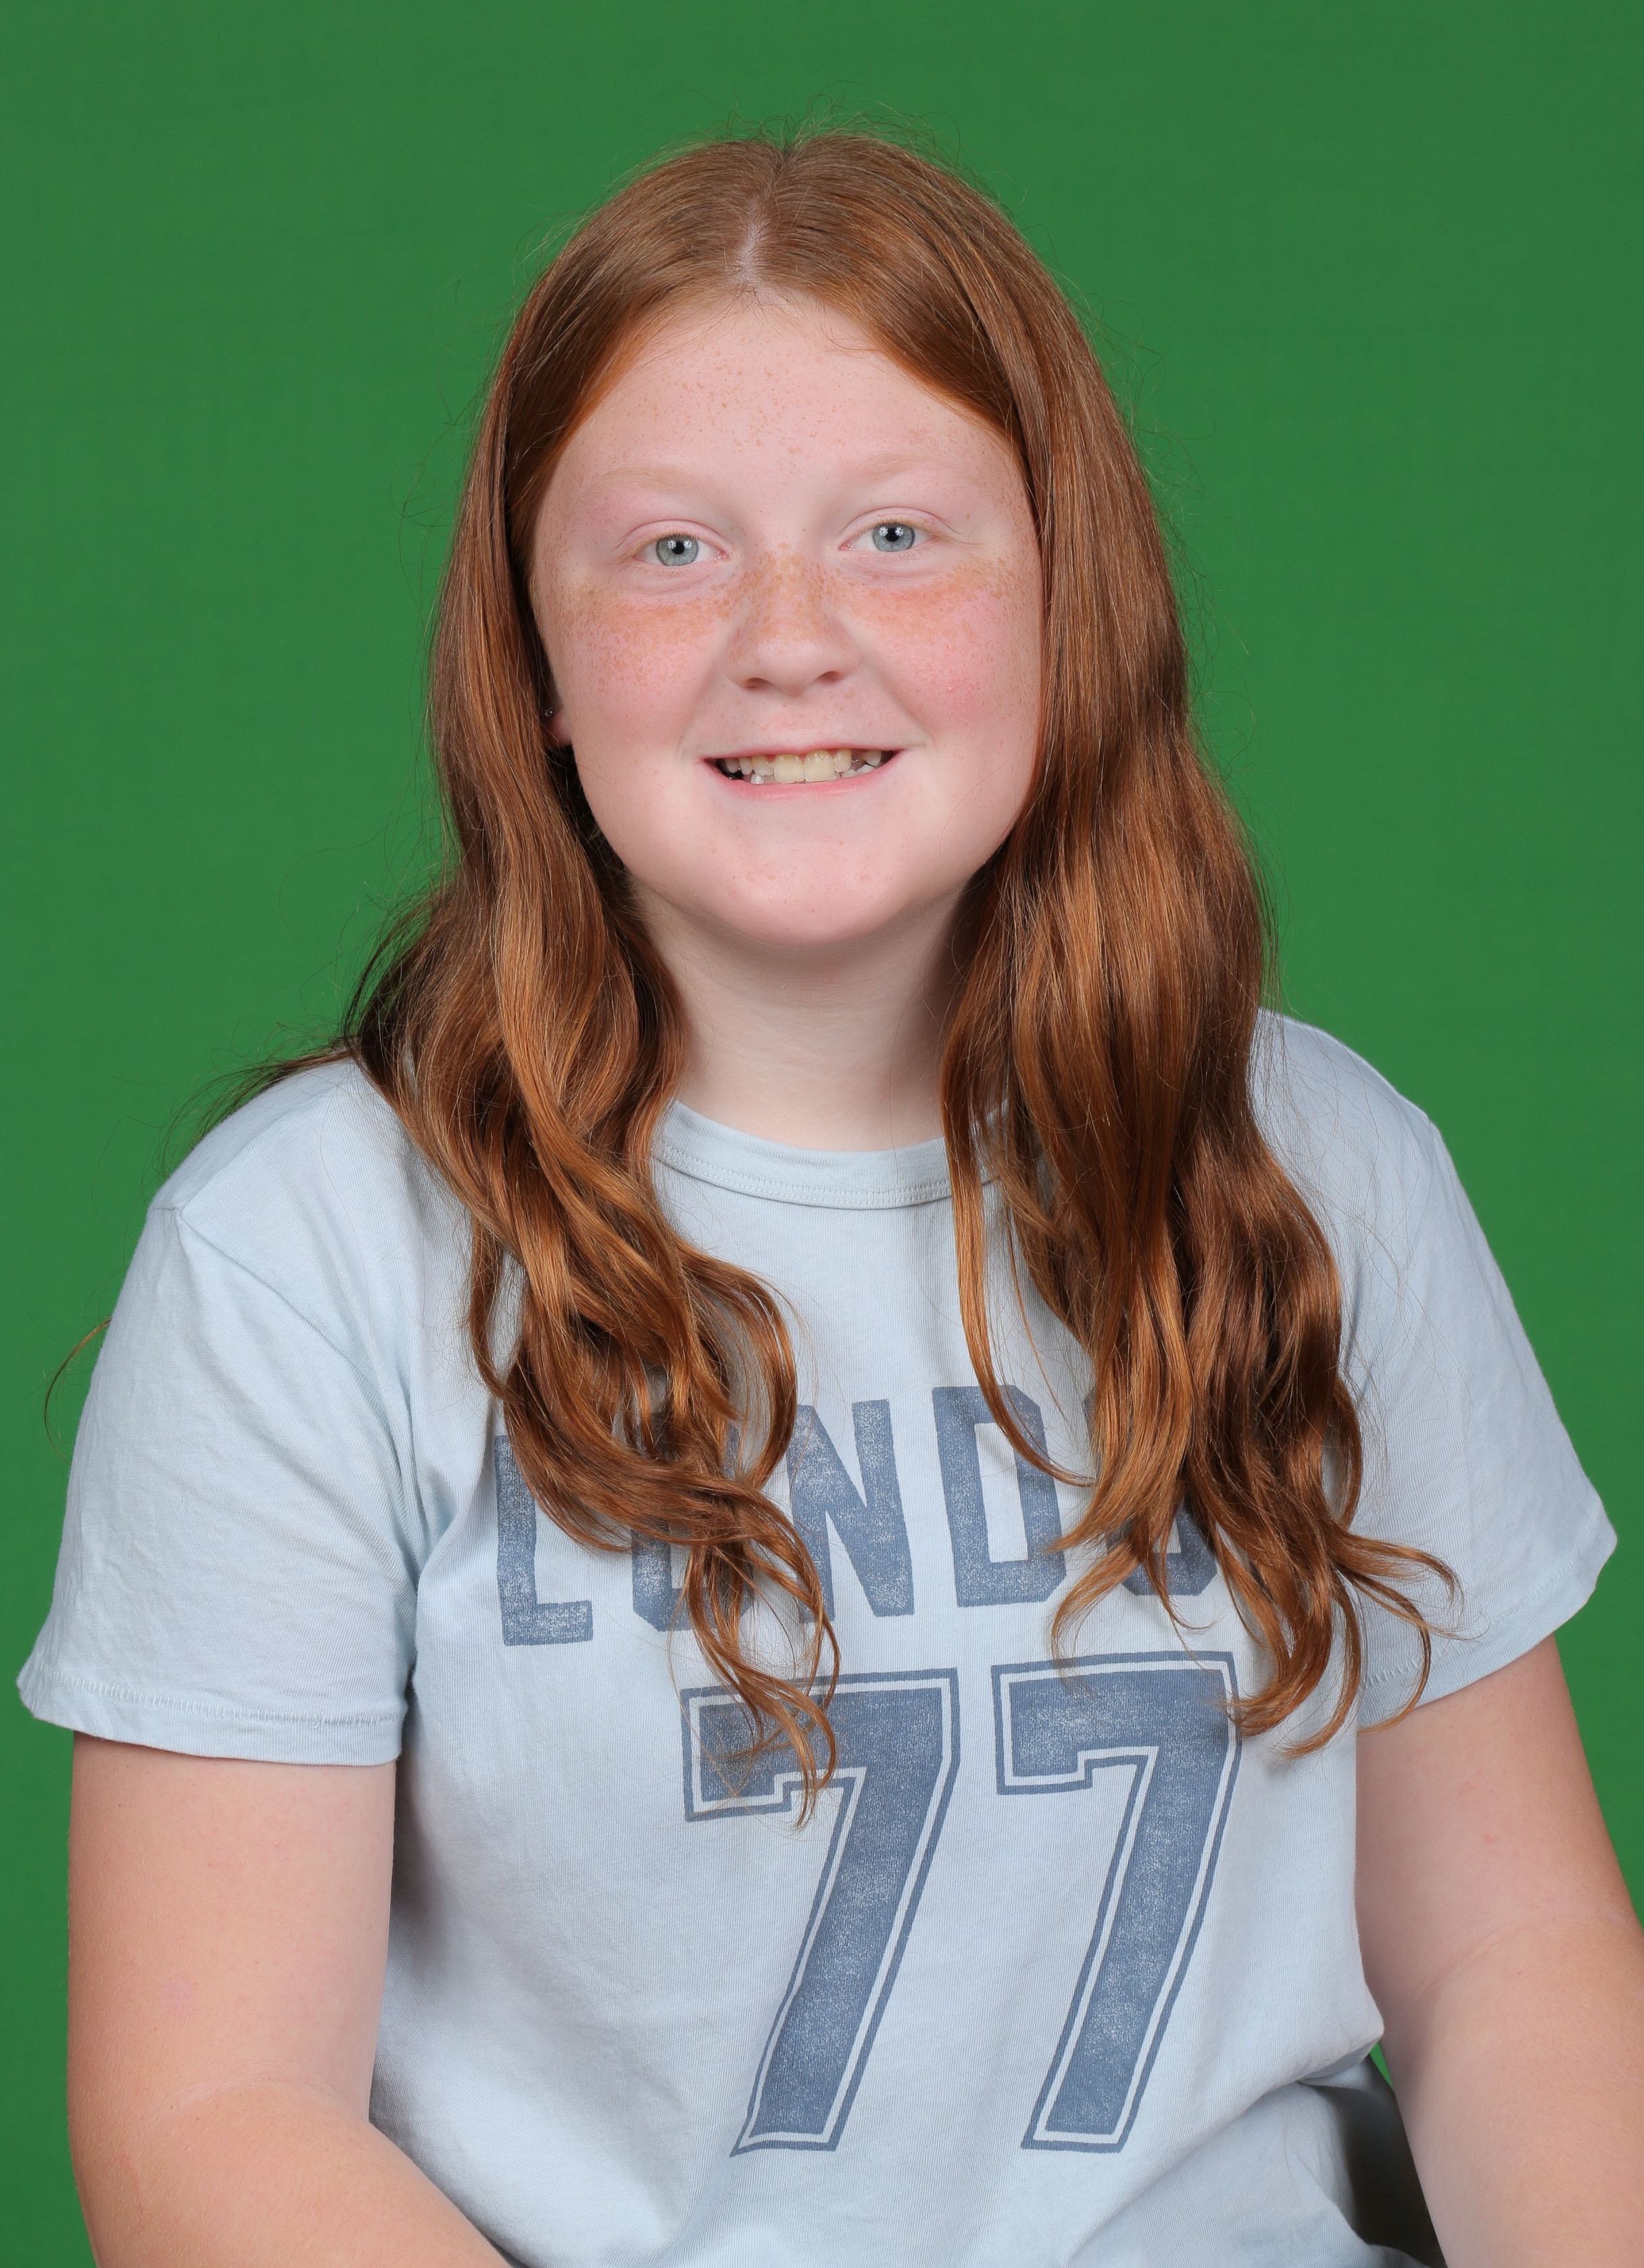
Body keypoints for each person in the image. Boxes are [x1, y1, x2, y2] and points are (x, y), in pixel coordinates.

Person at [20, 130, 1642, 2268]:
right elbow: (212, 2115)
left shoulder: (1319, 1166)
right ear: (534, 664)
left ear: (1067, 607)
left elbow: (1510, 1959)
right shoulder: (303, 1253)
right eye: (672, 550)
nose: (789, 639)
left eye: (897, 535)